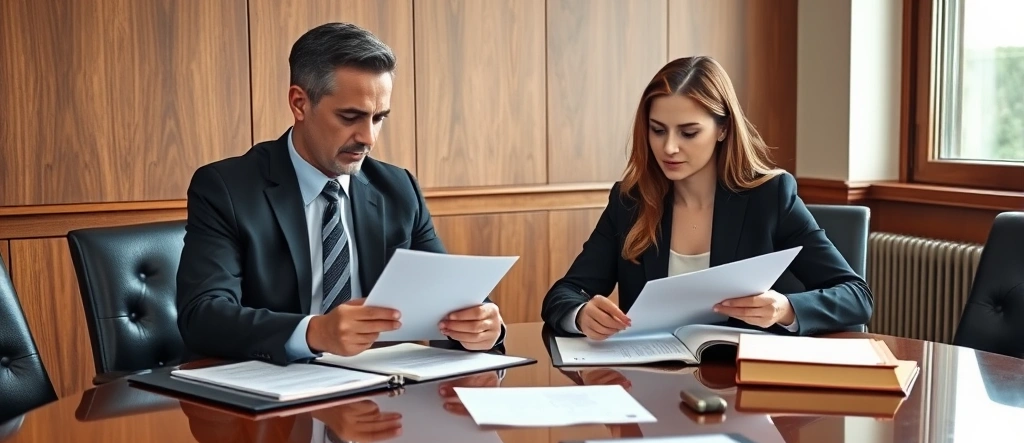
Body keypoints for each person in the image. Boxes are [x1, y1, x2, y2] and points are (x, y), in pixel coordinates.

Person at [177, 23, 504, 364]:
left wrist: (483, 325)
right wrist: (315, 332)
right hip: (276, 398)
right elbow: (202, 316)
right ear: (300, 103)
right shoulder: (227, 188)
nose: (369, 138)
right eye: (351, 117)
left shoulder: (398, 189)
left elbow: (450, 298)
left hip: (381, 394)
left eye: (379, 118)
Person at [541, 56, 872, 340]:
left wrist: (785, 309)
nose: (669, 147)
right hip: (650, 381)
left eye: (688, 132)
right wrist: (581, 313)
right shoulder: (630, 202)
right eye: (658, 130)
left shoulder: (770, 197)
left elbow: (856, 297)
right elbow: (563, 294)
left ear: (723, 129)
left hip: (742, 388)